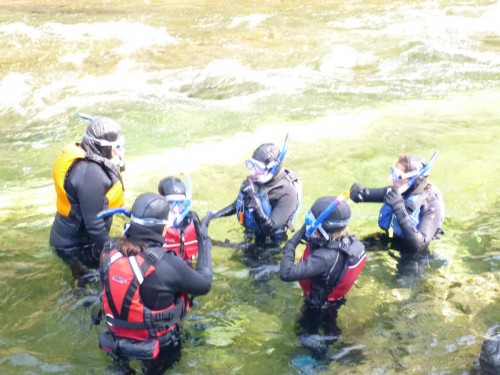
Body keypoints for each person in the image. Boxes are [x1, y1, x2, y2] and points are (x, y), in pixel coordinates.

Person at [98, 192, 213, 374]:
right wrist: (204, 240)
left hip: (115, 341)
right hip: (158, 346)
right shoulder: (166, 263)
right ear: (163, 227)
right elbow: (204, 284)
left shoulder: (108, 252)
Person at [280, 196, 366, 357]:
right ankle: (344, 349)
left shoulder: (324, 258)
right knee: (329, 325)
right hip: (332, 301)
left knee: (304, 333)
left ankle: (319, 363)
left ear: (323, 228)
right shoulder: (348, 243)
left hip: (316, 305)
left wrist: (292, 242)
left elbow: (286, 273)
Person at [50, 114, 126, 279]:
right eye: (117, 146)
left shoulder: (88, 157)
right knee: (94, 284)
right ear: (103, 146)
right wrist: (113, 252)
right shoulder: (91, 174)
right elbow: (94, 225)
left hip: (72, 237)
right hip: (75, 246)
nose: (119, 151)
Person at [212, 138, 302, 249]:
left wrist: (254, 201)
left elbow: (270, 228)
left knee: (251, 264)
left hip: (272, 241)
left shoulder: (287, 193)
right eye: (251, 166)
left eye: (258, 168)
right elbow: (237, 205)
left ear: (272, 169)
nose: (253, 172)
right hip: (253, 231)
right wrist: (211, 217)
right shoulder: (256, 180)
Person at [350, 153, 444, 256]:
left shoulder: (432, 205)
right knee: (351, 250)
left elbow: (419, 245)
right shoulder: (397, 191)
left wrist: (399, 209)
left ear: (413, 180)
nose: (393, 180)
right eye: (392, 173)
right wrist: (357, 190)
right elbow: (363, 195)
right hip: (392, 239)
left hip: (414, 254)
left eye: (398, 176)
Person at [158, 175, 199, 267]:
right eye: (170, 203)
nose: (176, 209)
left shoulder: (192, 222)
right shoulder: (151, 225)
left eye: (181, 203)